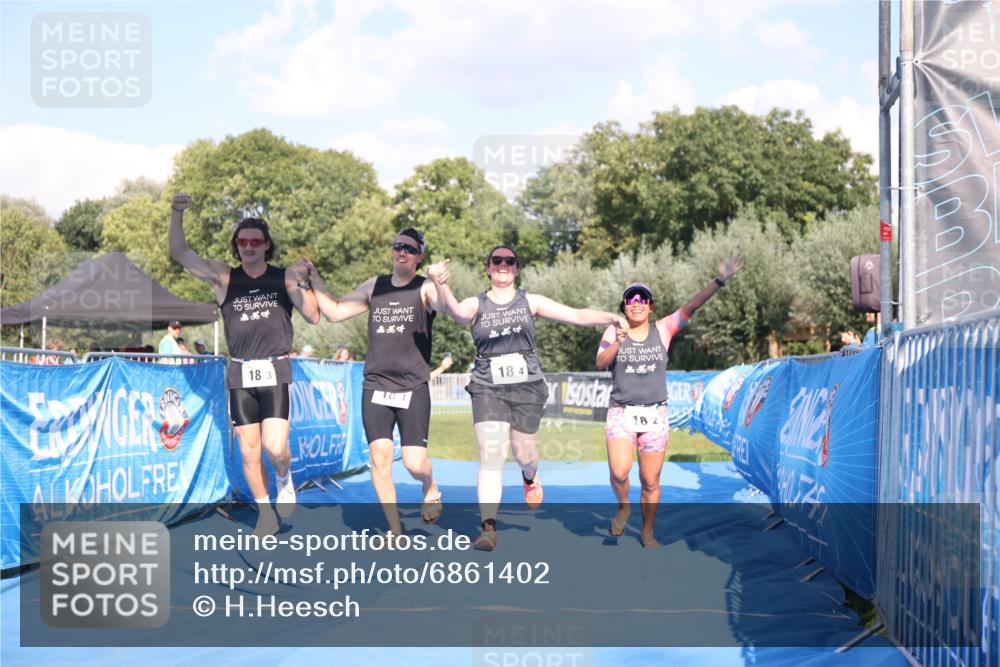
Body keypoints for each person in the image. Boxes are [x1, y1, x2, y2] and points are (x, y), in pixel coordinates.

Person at [427, 245, 626, 551]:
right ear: (488, 268)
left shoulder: (530, 301)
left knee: (524, 453)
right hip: (487, 385)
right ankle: (488, 528)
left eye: (510, 261)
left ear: (517, 269)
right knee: (492, 452)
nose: (503, 265)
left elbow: (575, 314)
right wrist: (440, 283)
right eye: (497, 261)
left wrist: (610, 317)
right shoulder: (476, 303)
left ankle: (530, 477)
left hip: (527, 386)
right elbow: (454, 311)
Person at [168, 192, 320, 537]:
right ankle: (266, 513)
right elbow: (179, 253)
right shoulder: (224, 278)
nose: (249, 246)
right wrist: (177, 212)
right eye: (242, 242)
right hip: (240, 371)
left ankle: (284, 475)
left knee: (275, 447)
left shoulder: (283, 278)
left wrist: (304, 283)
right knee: (250, 452)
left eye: (256, 241)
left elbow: (312, 316)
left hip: (275, 367)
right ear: (236, 246)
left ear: (267, 245)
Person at [305, 228, 444, 538]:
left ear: (419, 256)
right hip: (376, 385)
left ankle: (430, 484)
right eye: (397, 246)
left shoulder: (424, 289)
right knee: (379, 459)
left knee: (414, 463)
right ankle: (394, 529)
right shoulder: (375, 286)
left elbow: (446, 307)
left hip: (412, 387)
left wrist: (439, 282)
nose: (402, 252)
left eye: (409, 248)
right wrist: (315, 282)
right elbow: (337, 311)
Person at [596, 258, 742, 547]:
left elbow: (692, 306)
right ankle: (624, 506)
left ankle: (648, 532)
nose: (636, 303)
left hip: (655, 415)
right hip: (621, 412)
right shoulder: (614, 332)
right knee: (619, 471)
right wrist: (618, 342)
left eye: (643, 298)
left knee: (650, 481)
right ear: (624, 306)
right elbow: (601, 363)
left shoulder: (663, 329)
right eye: (630, 299)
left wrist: (719, 281)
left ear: (650, 306)